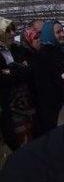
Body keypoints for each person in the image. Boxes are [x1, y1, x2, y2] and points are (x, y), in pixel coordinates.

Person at [0, 18, 37, 150]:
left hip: (28, 101)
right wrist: (19, 69)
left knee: (35, 136)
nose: (12, 33)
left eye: (13, 29)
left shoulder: (18, 49)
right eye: (7, 30)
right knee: (20, 143)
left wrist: (11, 71)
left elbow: (29, 71)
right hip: (10, 107)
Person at [34, 20, 64, 134]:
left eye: (62, 30)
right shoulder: (43, 56)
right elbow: (46, 88)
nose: (62, 34)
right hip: (55, 109)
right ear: (49, 34)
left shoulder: (62, 50)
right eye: (58, 32)